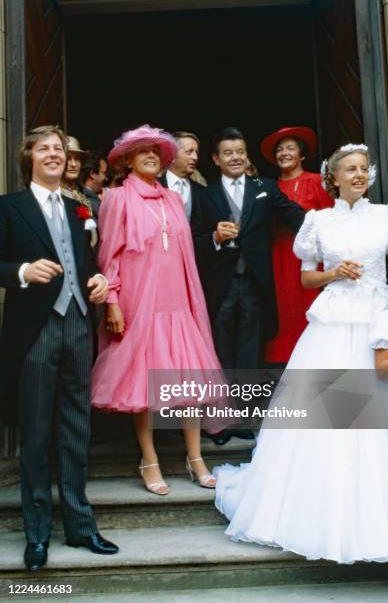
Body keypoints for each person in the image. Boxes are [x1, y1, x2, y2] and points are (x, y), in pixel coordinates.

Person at [214, 143, 388, 564]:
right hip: (333, 327)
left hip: (377, 324)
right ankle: (327, 512)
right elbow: (306, 277)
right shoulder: (318, 222)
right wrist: (333, 272)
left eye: (363, 168)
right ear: (332, 177)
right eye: (349, 169)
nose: (357, 174)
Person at [0, 125, 118, 571]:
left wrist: (100, 280)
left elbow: (87, 263)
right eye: (44, 149)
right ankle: (36, 535)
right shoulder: (8, 207)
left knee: (76, 428)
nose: (54, 155)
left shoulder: (78, 208)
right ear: (28, 157)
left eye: (59, 149)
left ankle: (81, 525)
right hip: (35, 330)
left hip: (78, 326)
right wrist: (24, 271)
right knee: (35, 433)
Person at [91, 125, 223, 495]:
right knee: (142, 386)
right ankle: (149, 458)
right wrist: (113, 301)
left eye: (156, 151)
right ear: (128, 159)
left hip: (177, 304)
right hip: (139, 304)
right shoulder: (117, 198)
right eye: (142, 151)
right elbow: (108, 256)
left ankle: (195, 457)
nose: (151, 155)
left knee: (191, 382)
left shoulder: (173, 200)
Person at [192, 127, 305, 372]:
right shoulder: (203, 194)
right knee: (219, 340)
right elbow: (193, 239)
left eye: (241, 152)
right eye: (229, 153)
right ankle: (222, 402)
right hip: (219, 281)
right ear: (216, 159)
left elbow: (295, 215)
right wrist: (215, 236)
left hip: (255, 279)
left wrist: (334, 221)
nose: (236, 158)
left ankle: (247, 401)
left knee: (251, 344)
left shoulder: (264, 186)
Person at [261, 126, 333, 364]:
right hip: (277, 254)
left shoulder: (316, 182)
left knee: (308, 304)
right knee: (281, 308)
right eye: (279, 149)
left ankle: (311, 356)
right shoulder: (267, 187)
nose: (284, 153)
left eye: (290, 148)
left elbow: (330, 221)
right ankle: (281, 359)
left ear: (302, 154)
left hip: (309, 259)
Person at [159, 131, 205, 222]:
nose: (195, 157)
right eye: (189, 152)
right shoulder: (153, 186)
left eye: (196, 152)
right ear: (172, 154)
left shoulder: (202, 192)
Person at [80, 150, 108, 220]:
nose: (106, 178)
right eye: (104, 173)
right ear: (92, 174)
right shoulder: (88, 200)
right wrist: (106, 203)